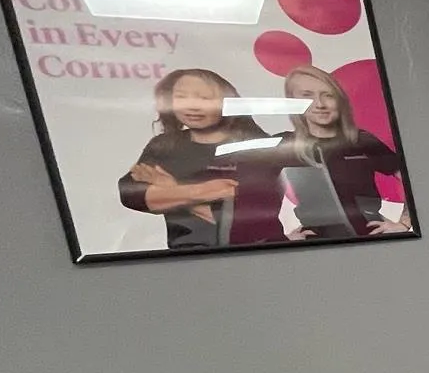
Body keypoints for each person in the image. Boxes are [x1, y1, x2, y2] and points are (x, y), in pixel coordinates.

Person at [118, 69, 283, 249]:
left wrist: (171, 191)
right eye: (181, 97)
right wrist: (199, 193)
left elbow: (238, 213)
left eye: (205, 99)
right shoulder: (164, 145)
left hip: (257, 254)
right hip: (188, 257)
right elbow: (130, 193)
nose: (192, 107)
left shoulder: (255, 145)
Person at [282, 64, 413, 238]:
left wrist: (405, 222)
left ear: (339, 100)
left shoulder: (360, 140)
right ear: (293, 101)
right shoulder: (285, 145)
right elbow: (254, 191)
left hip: (370, 237)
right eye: (307, 96)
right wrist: (279, 237)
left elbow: (413, 180)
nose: (319, 104)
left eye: (327, 95)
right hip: (317, 244)